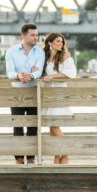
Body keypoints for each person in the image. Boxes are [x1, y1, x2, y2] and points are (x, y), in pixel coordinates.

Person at [5, 23, 45, 164]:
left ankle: (31, 156)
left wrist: (32, 76)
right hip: (17, 93)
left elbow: (38, 71)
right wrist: (19, 75)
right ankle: (19, 158)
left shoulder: (40, 52)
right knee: (18, 125)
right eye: (32, 35)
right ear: (23, 36)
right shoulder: (11, 52)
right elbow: (10, 72)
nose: (36, 37)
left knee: (33, 125)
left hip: (34, 92)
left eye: (36, 35)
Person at [41, 32, 77, 164]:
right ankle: (57, 156)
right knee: (51, 127)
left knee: (54, 126)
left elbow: (71, 74)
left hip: (58, 93)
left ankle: (67, 152)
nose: (61, 44)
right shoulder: (45, 56)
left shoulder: (66, 56)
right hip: (47, 93)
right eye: (57, 41)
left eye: (61, 41)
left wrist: (52, 76)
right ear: (50, 43)